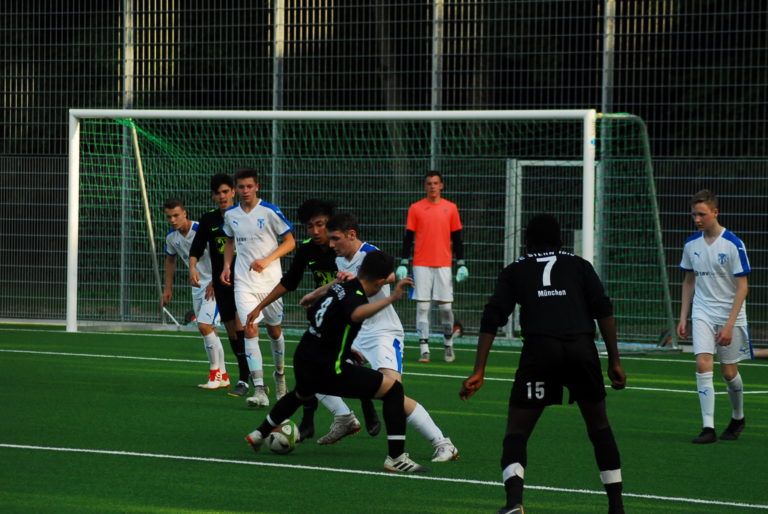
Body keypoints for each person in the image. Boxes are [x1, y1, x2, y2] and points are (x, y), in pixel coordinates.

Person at [460, 214, 626, 514]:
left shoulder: (516, 269)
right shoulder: (579, 265)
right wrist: (614, 360)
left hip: (540, 351)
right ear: (561, 240)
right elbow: (603, 308)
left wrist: (479, 369)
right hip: (581, 349)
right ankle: (616, 507)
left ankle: (514, 504)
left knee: (517, 432)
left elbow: (493, 315)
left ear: (527, 241)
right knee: (599, 427)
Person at [244, 250, 430, 473]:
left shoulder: (341, 286)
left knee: (301, 394)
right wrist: (392, 298)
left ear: (360, 270)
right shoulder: (357, 295)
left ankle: (259, 434)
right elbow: (356, 314)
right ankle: (396, 458)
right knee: (393, 390)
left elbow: (320, 315)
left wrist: (346, 348)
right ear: (381, 282)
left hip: (305, 356)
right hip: (328, 367)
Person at [297, 213, 459, 462]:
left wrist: (361, 280)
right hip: (355, 333)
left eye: (335, 239)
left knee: (393, 392)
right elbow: (343, 284)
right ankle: (344, 417)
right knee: (314, 372)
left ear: (351, 235)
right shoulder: (341, 259)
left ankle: (443, 443)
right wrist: (316, 293)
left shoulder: (369, 253)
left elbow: (390, 275)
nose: (330, 245)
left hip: (382, 333)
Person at [247, 198, 381, 443]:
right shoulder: (307, 249)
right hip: (324, 318)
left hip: (349, 315)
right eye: (310, 226)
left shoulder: (342, 247)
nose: (316, 231)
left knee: (350, 364)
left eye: (321, 224)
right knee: (310, 369)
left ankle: (366, 407)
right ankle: (311, 422)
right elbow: (290, 281)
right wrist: (259, 307)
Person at [676, 189, 752, 444]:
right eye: (694, 215)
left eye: (702, 214)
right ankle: (707, 427)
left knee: (729, 373)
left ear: (715, 213)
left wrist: (730, 325)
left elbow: (743, 287)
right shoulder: (691, 245)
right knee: (702, 363)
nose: (697, 219)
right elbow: (688, 281)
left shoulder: (732, 244)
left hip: (731, 314)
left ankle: (738, 417)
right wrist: (684, 316)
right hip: (703, 311)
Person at [221, 167, 296, 408]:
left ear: (257, 187)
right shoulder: (230, 214)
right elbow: (230, 240)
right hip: (244, 282)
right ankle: (260, 389)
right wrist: (226, 266)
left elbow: (290, 241)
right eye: (240, 187)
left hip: (272, 284)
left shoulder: (270, 211)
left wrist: (267, 259)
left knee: (274, 331)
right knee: (250, 328)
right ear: (236, 189)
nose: (245, 191)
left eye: (249, 186)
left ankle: (280, 374)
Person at [189, 173, 250, 396]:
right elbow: (196, 248)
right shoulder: (209, 220)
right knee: (232, 332)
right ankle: (246, 374)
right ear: (214, 196)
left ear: (233, 192)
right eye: (218, 193)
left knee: (244, 328)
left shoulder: (245, 217)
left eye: (226, 191)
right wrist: (193, 267)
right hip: (220, 283)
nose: (222, 196)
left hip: (244, 281)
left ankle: (246, 378)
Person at [396, 171, 467, 363]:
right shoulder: (416, 208)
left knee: (445, 309)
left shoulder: (450, 208)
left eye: (435, 183)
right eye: (429, 183)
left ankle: (448, 345)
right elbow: (408, 238)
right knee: (423, 307)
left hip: (444, 265)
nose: (432, 187)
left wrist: (461, 264)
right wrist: (403, 262)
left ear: (441, 186)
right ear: (425, 186)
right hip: (421, 265)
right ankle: (424, 349)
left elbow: (458, 238)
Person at [161, 197, 228, 389]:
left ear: (185, 213)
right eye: (169, 217)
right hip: (198, 287)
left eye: (176, 215)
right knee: (210, 330)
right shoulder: (171, 237)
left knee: (204, 326)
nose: (173, 220)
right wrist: (167, 288)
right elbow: (170, 260)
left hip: (215, 285)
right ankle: (223, 376)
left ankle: (214, 374)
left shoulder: (202, 230)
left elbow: (222, 253)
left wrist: (216, 281)